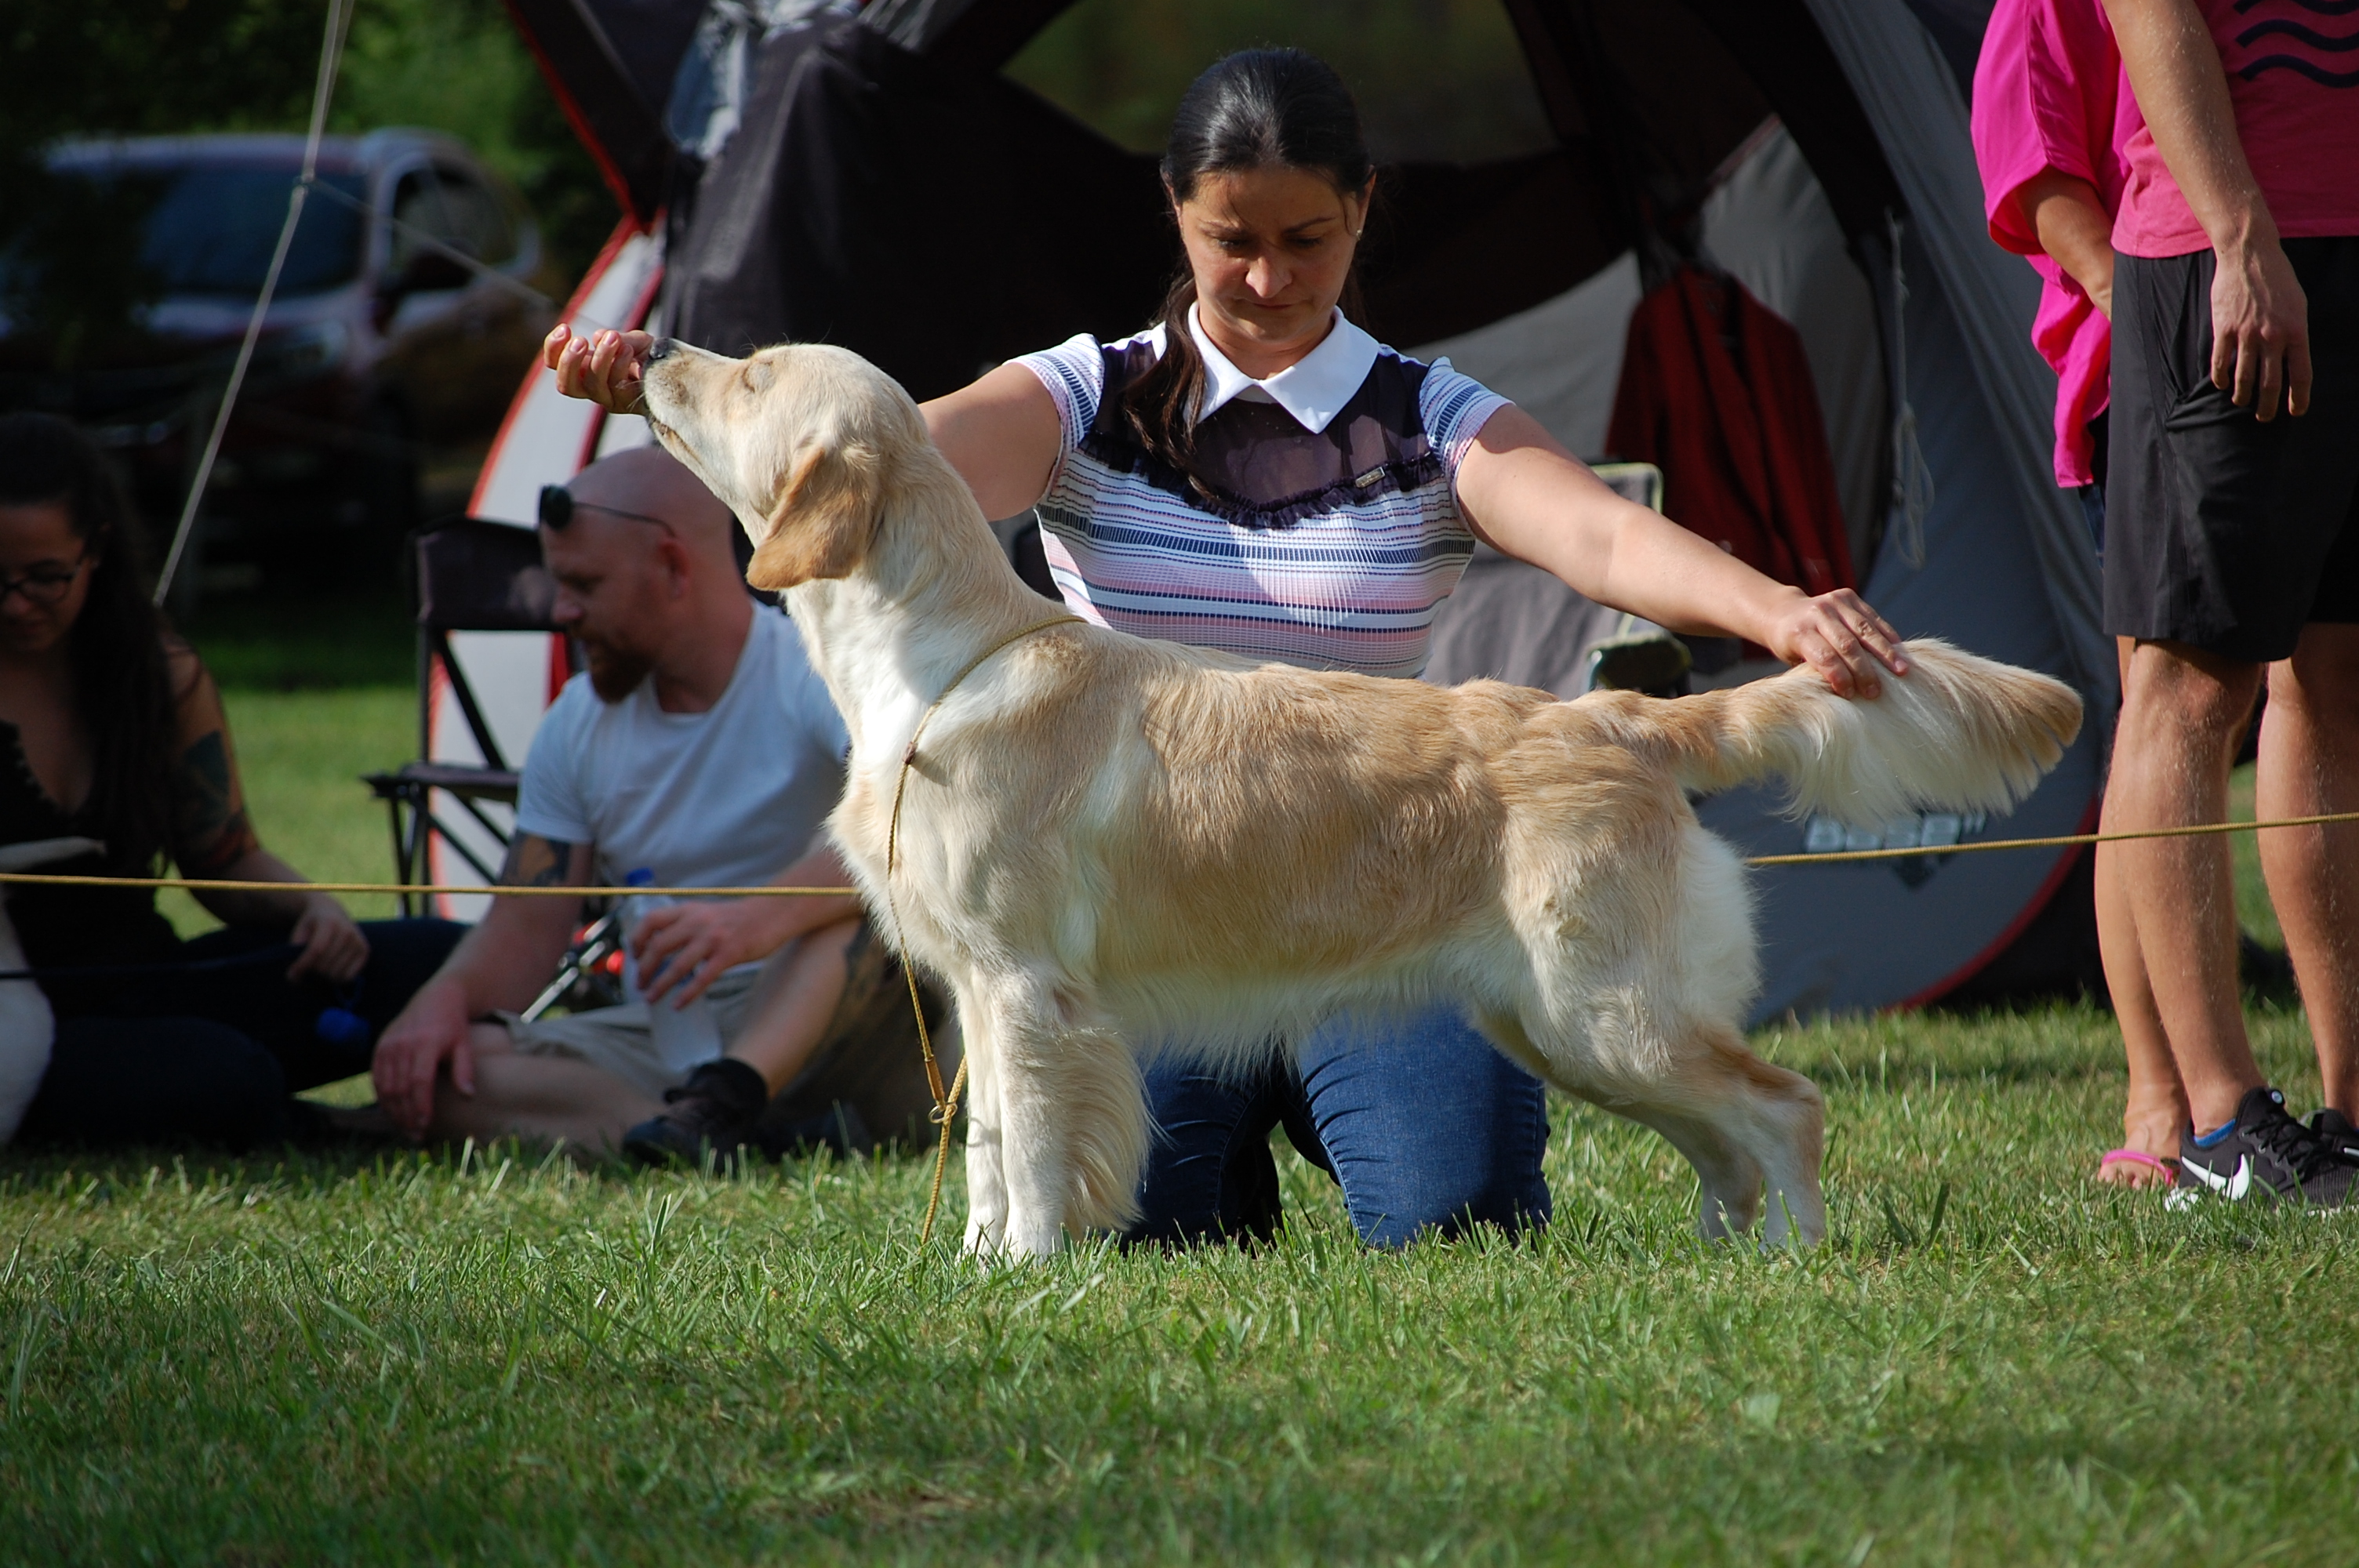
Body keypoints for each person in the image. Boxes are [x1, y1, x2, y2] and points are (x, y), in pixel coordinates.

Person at [545, 49, 1907, 1245]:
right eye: (1229, 239)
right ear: (1177, 216)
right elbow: (862, 453)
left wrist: (1775, 613)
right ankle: (1202, 1174)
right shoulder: (1085, 392)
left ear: (1363, 209)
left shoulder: (1428, 414)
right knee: (1156, 1232)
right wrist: (670, 389)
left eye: (1305, 238)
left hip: (1384, 891)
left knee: (1457, 1215)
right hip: (1163, 935)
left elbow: (1600, 535)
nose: (1266, 277)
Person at [369, 446, 939, 1160]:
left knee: (860, 900)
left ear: (672, 567)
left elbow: (912, 817)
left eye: (584, 584)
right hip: (677, 1036)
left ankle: (726, 1106)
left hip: (844, 1017)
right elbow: (524, 924)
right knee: (459, 1074)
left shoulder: (808, 672)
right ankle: (720, 1138)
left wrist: (751, 922)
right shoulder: (575, 723)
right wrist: (441, 1004)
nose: (560, 611)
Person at [0, 411, 463, 1146]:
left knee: (438, 960)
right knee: (221, 1074)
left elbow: (221, 858)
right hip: (18, 1017)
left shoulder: (158, 674)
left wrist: (312, 908)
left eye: (45, 578)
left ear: (97, 552)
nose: (16, 603)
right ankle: (308, 1122)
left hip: (141, 982)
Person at [2097, 0, 2359, 1202]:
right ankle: (2219, 1123)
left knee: (2340, 674)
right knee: (2192, 682)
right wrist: (2240, 231)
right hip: (2226, 253)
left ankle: (2348, 1112)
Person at [1972, 0, 2190, 1189]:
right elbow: (2032, 169)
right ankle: (2159, 1094)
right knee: (2159, 725)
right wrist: (2141, 322)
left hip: (2293, 348)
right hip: (2154, 382)